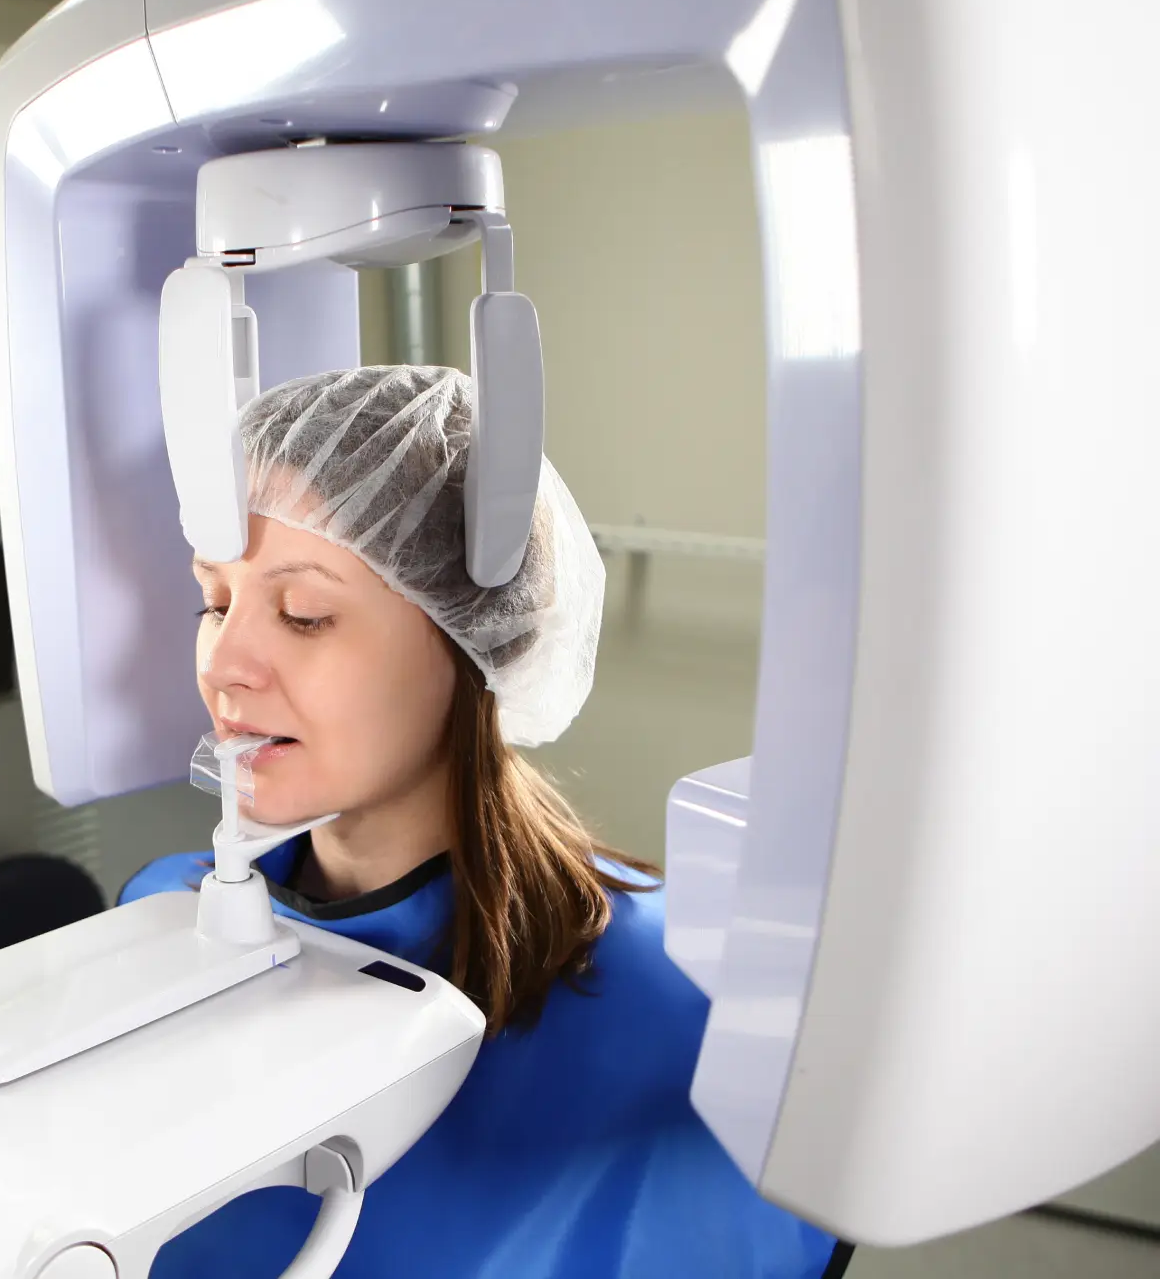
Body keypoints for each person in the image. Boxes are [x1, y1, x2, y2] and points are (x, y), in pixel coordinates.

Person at [120, 366, 852, 1279]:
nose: (225, 664)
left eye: (302, 614)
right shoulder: (161, 917)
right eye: (215, 602)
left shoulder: (695, 996)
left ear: (481, 638)